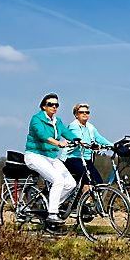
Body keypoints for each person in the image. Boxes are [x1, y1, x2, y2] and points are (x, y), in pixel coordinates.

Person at [24, 93, 80, 230]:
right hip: (35, 155)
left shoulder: (57, 121)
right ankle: (52, 213)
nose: (54, 107)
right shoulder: (36, 119)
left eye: (56, 105)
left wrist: (78, 141)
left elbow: (67, 133)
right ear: (44, 106)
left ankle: (50, 206)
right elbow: (42, 135)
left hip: (51, 157)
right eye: (51, 104)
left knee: (71, 183)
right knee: (58, 180)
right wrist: (58, 143)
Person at [62, 102, 112, 188]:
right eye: (81, 112)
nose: (85, 114)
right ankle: (86, 201)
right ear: (76, 115)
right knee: (87, 180)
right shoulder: (73, 126)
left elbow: (99, 138)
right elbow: (79, 138)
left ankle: (90, 200)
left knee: (99, 182)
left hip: (87, 160)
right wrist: (91, 145)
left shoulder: (90, 127)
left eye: (87, 112)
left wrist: (113, 145)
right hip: (73, 158)